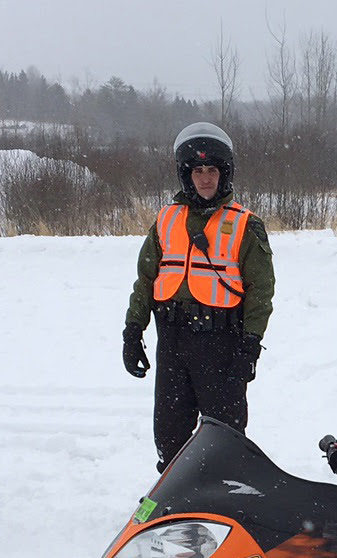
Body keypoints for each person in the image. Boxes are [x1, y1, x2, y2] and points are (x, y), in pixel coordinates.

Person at [122, 122, 274, 471]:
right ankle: (178, 508)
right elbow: (145, 280)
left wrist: (250, 346)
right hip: (173, 342)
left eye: (212, 170)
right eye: (198, 171)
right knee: (170, 437)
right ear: (186, 175)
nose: (205, 179)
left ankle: (225, 504)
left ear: (225, 174)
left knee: (224, 438)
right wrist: (133, 331)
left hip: (221, 345)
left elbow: (261, 292)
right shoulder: (166, 219)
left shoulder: (244, 224)